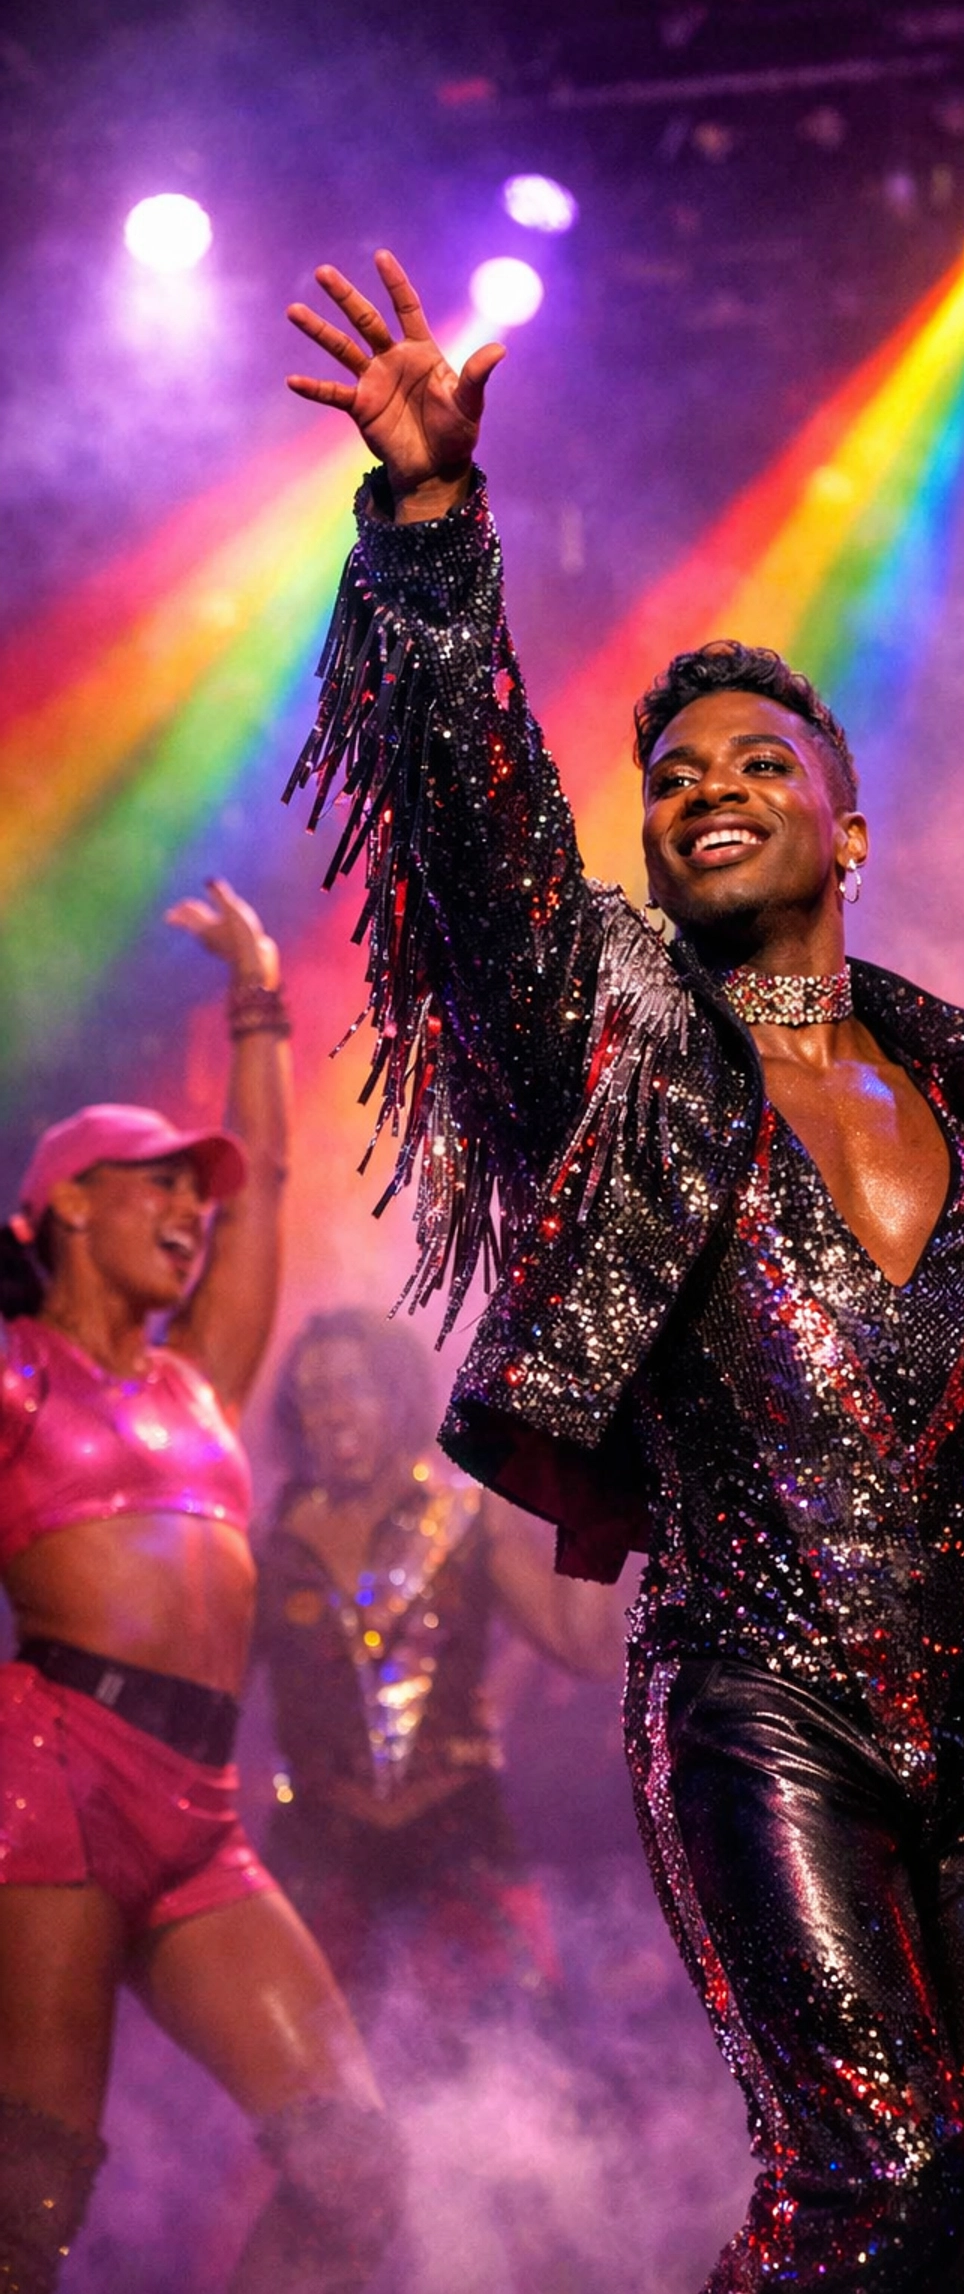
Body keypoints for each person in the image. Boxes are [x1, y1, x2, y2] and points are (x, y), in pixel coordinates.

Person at [282, 248, 964, 2294]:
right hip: (758, 1701)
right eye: (673, 782)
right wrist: (428, 526)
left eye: (762, 765)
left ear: (852, 833)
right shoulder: (624, 1046)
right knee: (875, 2194)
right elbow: (480, 853)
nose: (708, 791)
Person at [0, 884, 402, 2294]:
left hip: (198, 1812)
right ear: (62, 1206)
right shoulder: (15, 1374)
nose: (190, 1208)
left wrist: (258, 997)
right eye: (158, 1182)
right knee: (25, 2206)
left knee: (359, 2166)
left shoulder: (200, 1384)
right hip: (51, 1782)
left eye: (195, 1191)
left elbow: (273, 1182)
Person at [257, 1307, 622, 2043]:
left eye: (351, 1387)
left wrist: (596, 1499)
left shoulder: (468, 1514)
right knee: (317, 2109)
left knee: (513, 2075)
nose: (331, 1412)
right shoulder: (270, 1543)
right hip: (317, 1854)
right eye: (313, 1395)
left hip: (459, 1844)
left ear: (397, 1394)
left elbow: (585, 1649)